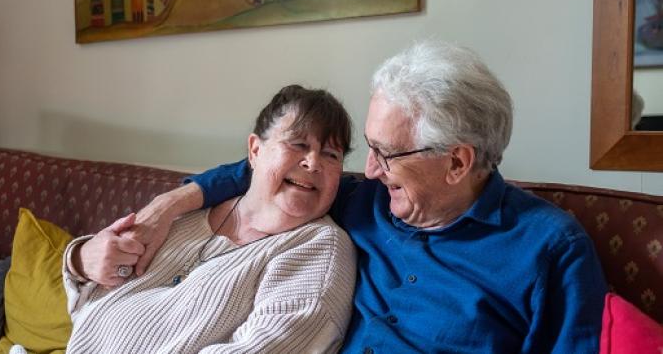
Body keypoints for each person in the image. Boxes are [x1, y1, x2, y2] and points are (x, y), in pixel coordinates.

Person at [108, 40, 608, 353]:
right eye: (367, 149)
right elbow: (263, 170)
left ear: (458, 162)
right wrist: (167, 206)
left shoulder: (551, 250)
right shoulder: (361, 199)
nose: (368, 170)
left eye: (387, 155)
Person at [62, 85, 357, 353]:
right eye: (298, 144)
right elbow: (90, 304)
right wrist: (78, 260)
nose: (313, 162)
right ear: (255, 150)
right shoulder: (184, 212)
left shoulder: (319, 248)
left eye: (331, 155)